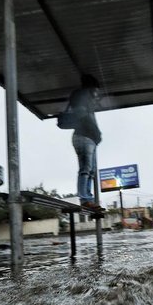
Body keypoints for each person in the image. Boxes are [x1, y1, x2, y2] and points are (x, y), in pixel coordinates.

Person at [68, 74, 102, 208]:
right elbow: (82, 115)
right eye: (96, 90)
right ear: (91, 88)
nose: (97, 94)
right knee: (85, 169)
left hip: (89, 138)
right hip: (83, 137)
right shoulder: (80, 97)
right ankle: (84, 198)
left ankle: (87, 198)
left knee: (91, 170)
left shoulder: (87, 100)